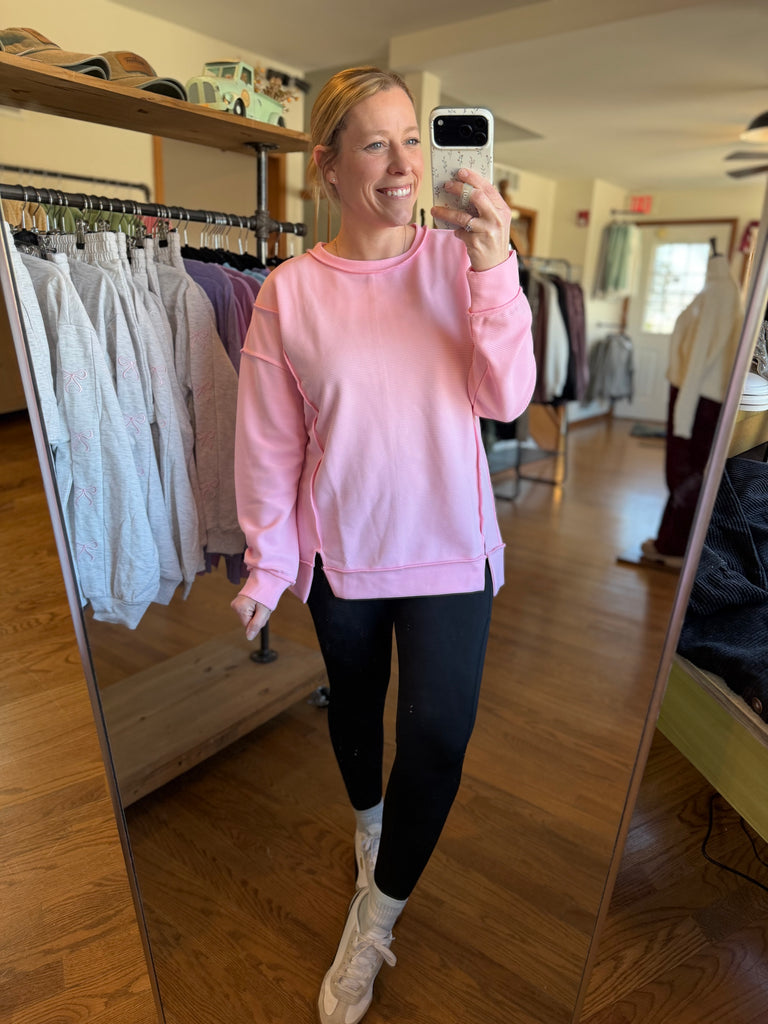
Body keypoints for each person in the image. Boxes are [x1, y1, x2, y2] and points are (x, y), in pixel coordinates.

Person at [231, 66, 535, 1024]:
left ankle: (376, 919)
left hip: (450, 548)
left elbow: (507, 398)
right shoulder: (288, 294)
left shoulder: (461, 261)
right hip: (346, 556)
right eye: (376, 143)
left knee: (437, 736)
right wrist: (269, 561)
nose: (404, 165)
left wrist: (495, 270)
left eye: (414, 139)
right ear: (328, 166)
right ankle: (370, 828)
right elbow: (270, 443)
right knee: (357, 715)